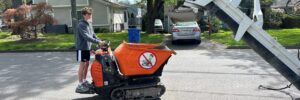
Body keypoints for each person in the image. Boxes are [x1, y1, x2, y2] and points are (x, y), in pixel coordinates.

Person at [75, 7, 103, 93]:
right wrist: (98, 42)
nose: (90, 16)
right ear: (84, 15)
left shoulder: (89, 24)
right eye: (88, 14)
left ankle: (84, 80)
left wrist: (100, 41)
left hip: (87, 48)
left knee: (86, 64)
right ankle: (80, 84)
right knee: (82, 65)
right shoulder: (81, 25)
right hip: (82, 48)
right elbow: (86, 37)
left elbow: (93, 35)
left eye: (91, 14)